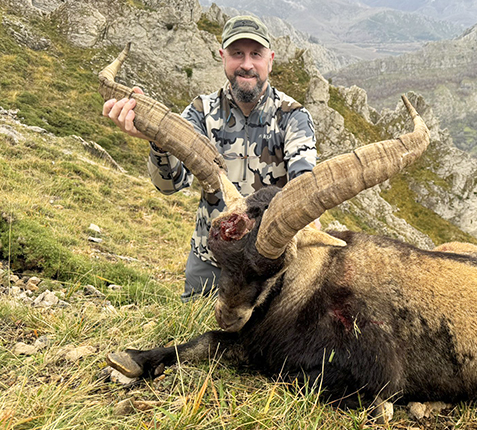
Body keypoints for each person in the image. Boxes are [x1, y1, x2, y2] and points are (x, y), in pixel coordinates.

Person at [103, 15, 317, 301]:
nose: (246, 64)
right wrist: (158, 141)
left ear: (271, 59)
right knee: (190, 337)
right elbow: (171, 185)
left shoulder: (293, 116)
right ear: (222, 57)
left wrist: (308, 213)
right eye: (236, 54)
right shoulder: (199, 111)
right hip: (211, 261)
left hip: (269, 268)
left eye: (256, 54)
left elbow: (304, 180)